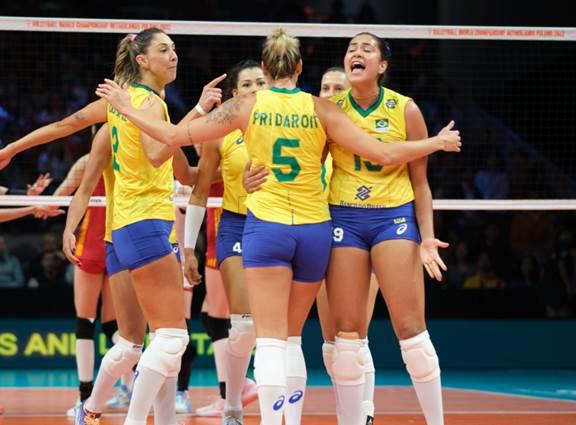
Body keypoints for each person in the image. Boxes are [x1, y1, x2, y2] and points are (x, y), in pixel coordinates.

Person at [96, 28, 461, 425]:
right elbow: (383, 153)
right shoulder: (323, 109)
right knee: (295, 339)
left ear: (265, 69)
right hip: (316, 230)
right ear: (299, 67)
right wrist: (435, 142)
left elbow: (171, 136)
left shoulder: (245, 105)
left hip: (268, 228)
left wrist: (126, 107)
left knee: (269, 340)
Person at [325, 33, 452, 425]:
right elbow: (313, 168)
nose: (356, 53)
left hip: (392, 218)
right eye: (351, 49)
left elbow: (421, 184)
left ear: (381, 65)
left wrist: (427, 237)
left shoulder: (405, 109)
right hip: (344, 218)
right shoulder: (330, 110)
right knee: (347, 340)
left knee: (412, 333)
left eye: (366, 49)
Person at [182, 59, 265, 423]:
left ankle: (274, 403)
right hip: (235, 224)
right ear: (233, 94)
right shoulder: (221, 132)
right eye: (247, 84)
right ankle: (232, 403)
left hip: (283, 225)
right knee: (240, 323)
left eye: (261, 82)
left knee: (277, 330)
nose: (255, 89)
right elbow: (195, 184)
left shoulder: (292, 122)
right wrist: (188, 247)